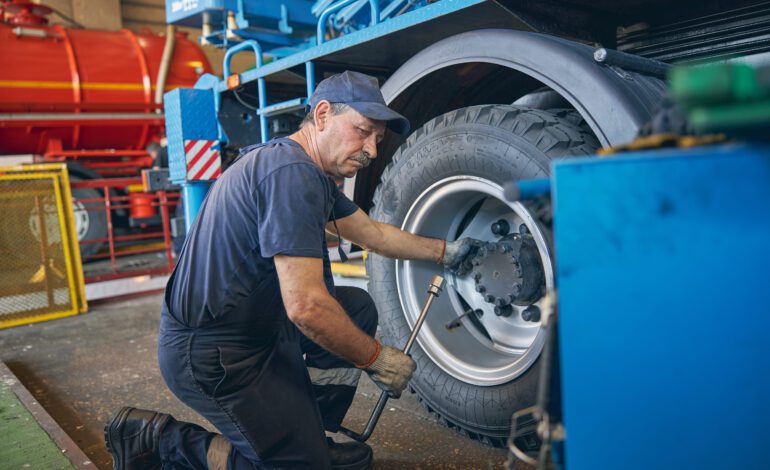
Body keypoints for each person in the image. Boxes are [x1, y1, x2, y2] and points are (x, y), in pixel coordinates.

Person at [104, 71, 481, 470]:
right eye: (362, 131)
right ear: (321, 116)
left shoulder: (304, 170)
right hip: (211, 353)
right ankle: (161, 441)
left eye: (378, 140)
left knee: (354, 307)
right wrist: (375, 359)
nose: (370, 148)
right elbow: (306, 308)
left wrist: (445, 251)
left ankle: (307, 430)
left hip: (256, 328)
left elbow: (374, 235)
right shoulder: (291, 174)